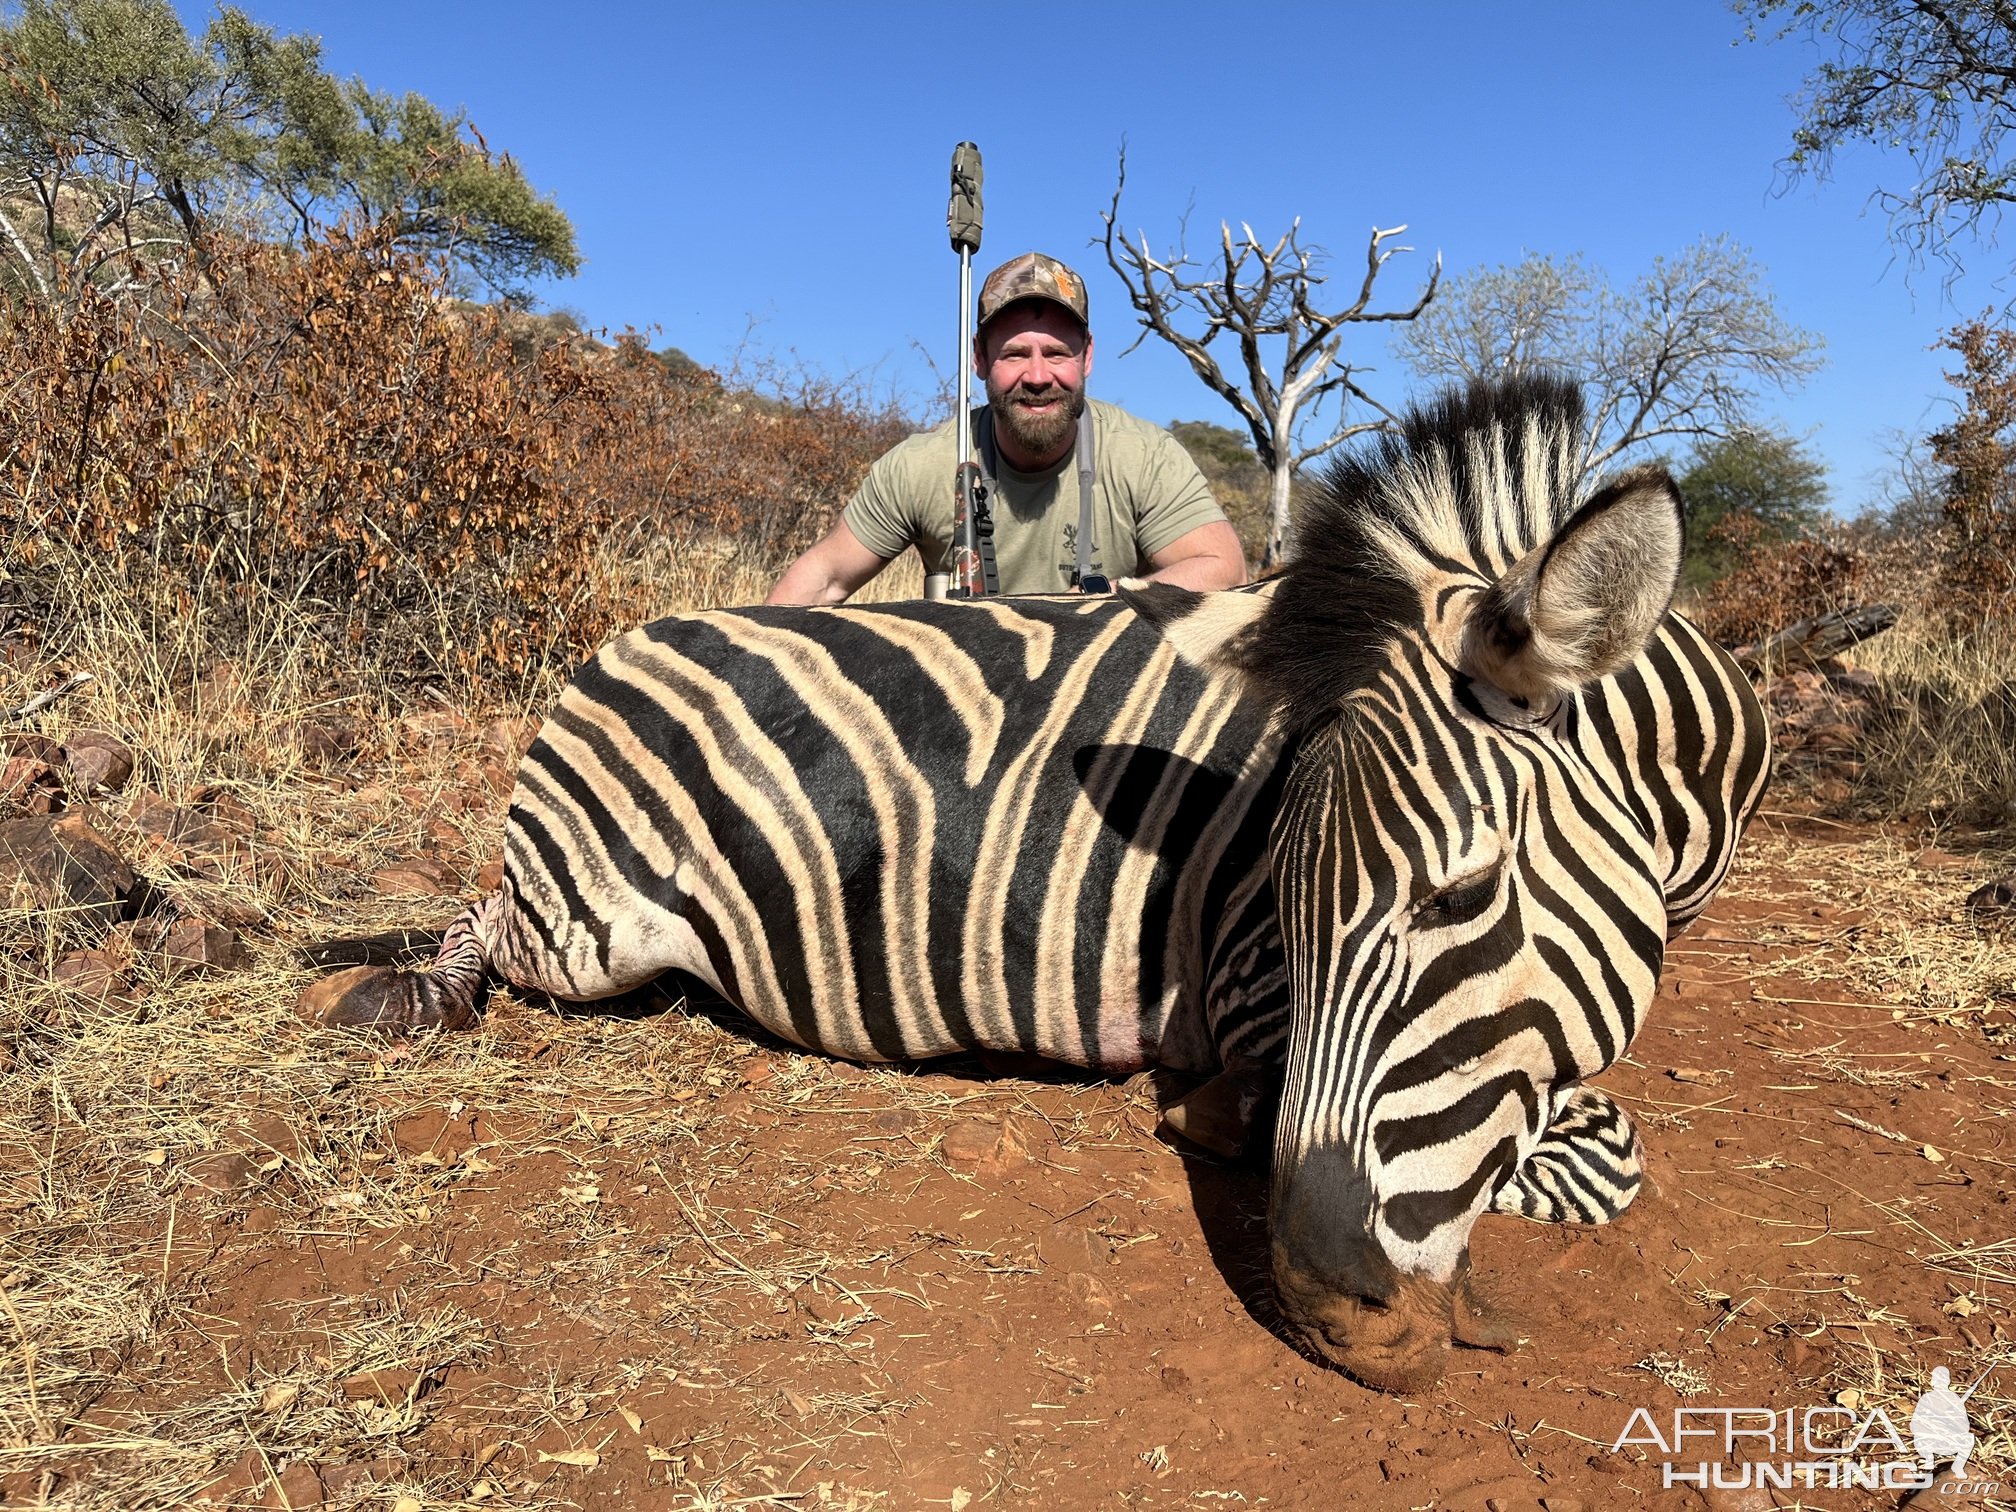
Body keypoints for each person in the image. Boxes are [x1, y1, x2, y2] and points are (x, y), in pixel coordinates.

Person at [766, 252, 1248, 605]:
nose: (1038, 378)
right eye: (1015, 354)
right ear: (979, 358)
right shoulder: (922, 465)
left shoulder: (1144, 456)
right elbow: (825, 577)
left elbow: (1222, 567)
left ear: (1088, 357)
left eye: (1057, 353)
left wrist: (1112, 598)